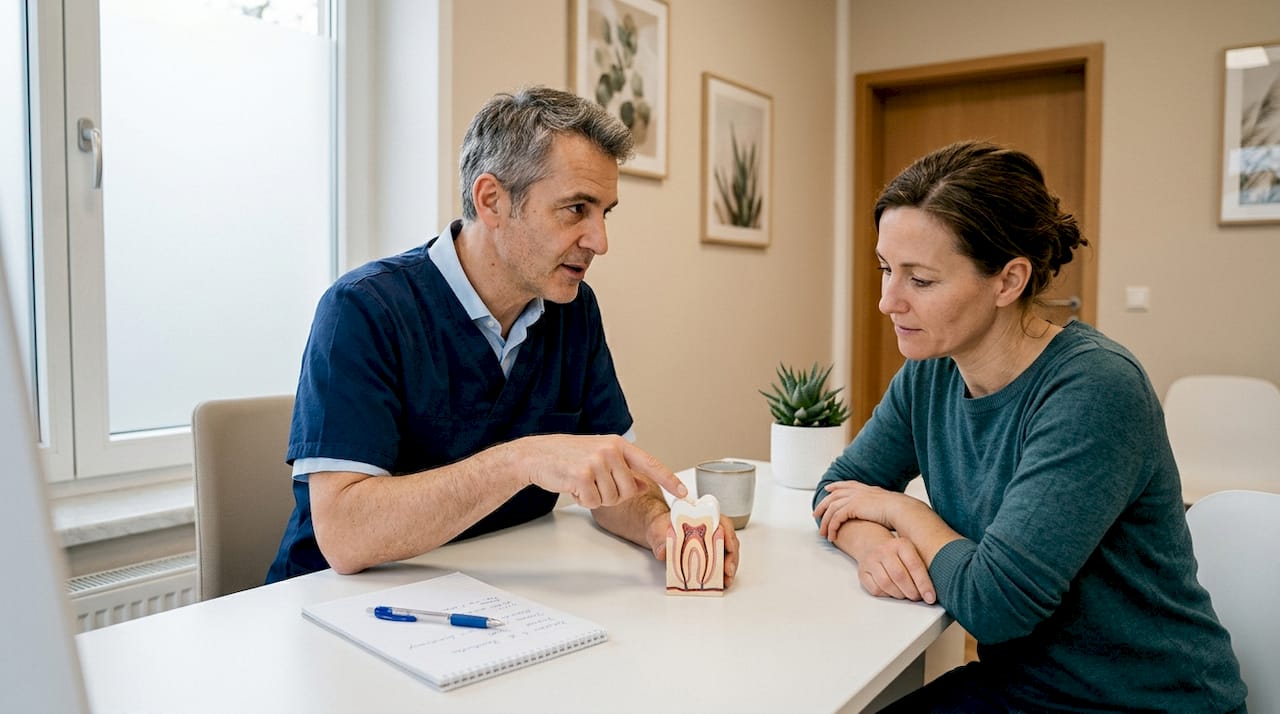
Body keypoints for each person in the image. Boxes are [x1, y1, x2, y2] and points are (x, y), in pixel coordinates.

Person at [812, 141, 1246, 712]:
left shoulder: (1094, 390)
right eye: (886, 270)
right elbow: (837, 487)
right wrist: (867, 541)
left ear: (1008, 281)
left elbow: (996, 605)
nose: (887, 302)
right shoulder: (931, 374)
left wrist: (902, 512)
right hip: (1019, 690)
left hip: (1145, 703)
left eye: (919, 280)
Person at [267, 86, 739, 587]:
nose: (600, 241)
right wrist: (524, 459)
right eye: (576, 209)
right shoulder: (363, 309)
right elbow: (344, 536)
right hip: (338, 606)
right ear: (492, 200)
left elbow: (612, 483)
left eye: (605, 212)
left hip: (497, 596)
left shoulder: (573, 310)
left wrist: (659, 525)